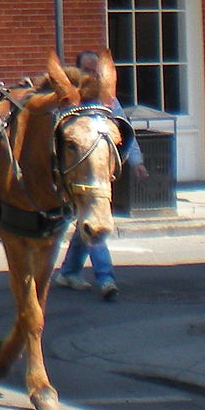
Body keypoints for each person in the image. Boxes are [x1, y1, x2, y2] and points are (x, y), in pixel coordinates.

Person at [53, 49, 144, 301]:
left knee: (88, 222)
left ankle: (69, 271)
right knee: (93, 222)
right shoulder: (72, 98)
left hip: (100, 172)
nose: (92, 74)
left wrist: (136, 160)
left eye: (95, 70)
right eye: (88, 70)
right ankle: (106, 278)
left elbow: (123, 128)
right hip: (76, 174)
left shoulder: (108, 100)